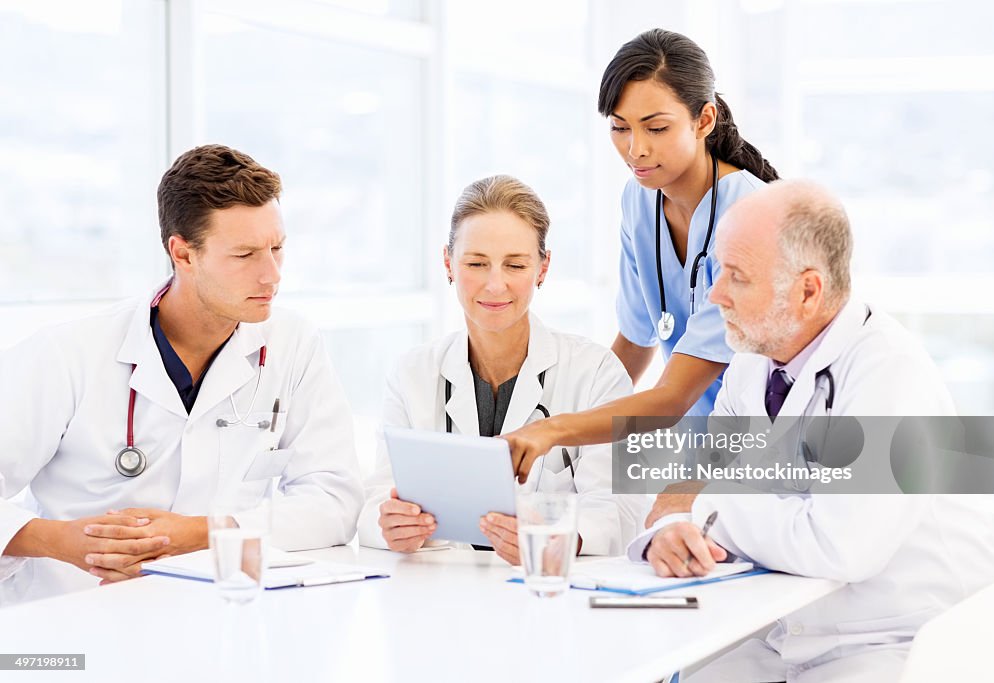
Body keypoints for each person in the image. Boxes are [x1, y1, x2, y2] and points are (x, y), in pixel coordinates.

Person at [626, 180, 994, 682]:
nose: (715, 294)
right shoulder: (751, 363)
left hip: (898, 637)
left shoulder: (888, 372)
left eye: (737, 276)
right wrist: (666, 534)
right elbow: (679, 499)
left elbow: (841, 547)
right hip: (788, 631)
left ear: (808, 291)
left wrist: (705, 510)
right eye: (719, 269)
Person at [0, 144, 364, 605]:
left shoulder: (294, 345)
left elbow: (335, 500)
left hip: (218, 616)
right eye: (245, 254)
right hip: (69, 615)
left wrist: (203, 533)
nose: (271, 275)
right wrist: (61, 541)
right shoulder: (67, 354)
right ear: (183, 254)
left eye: (277, 248)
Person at [502, 28, 780, 481]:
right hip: (698, 450)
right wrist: (559, 449)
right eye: (619, 127)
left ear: (704, 120)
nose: (636, 149)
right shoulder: (639, 199)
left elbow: (673, 396)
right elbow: (635, 342)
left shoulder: (751, 213)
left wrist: (556, 431)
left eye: (656, 127)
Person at [357, 175, 644, 563]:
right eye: (476, 263)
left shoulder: (597, 373)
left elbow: (620, 513)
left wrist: (559, 536)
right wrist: (392, 526)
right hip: (440, 595)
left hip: (550, 597)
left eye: (515, 265)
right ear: (448, 264)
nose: (495, 286)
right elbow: (378, 499)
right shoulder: (413, 374)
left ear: (543, 268)